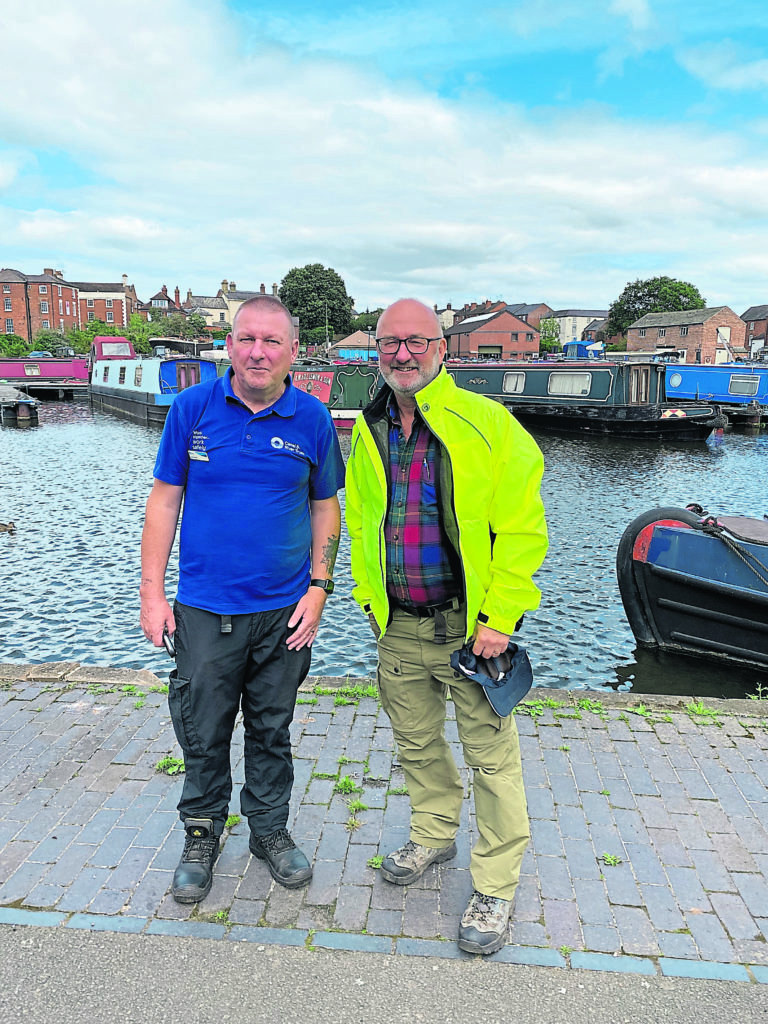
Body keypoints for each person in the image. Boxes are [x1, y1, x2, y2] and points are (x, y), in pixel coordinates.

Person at [345, 298, 548, 955]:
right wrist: (367, 598)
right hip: (398, 624)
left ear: (442, 348)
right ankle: (433, 833)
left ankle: (495, 883)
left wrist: (500, 617)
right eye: (389, 343)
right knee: (417, 743)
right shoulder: (368, 427)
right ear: (377, 350)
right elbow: (362, 522)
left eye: (415, 341)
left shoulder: (490, 426)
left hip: (470, 630)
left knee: (492, 760)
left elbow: (522, 532)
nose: (401, 354)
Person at [140, 294, 345, 903]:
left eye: (271, 342)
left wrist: (320, 588)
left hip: (283, 611)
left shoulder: (312, 419)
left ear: (293, 353)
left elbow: (324, 507)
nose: (258, 352)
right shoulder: (192, 408)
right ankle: (202, 835)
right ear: (229, 344)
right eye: (247, 339)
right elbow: (164, 501)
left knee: (271, 726)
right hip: (204, 608)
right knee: (202, 729)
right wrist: (153, 594)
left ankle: (268, 831)